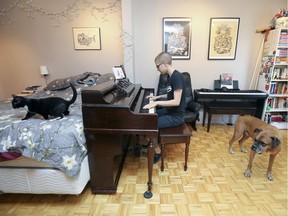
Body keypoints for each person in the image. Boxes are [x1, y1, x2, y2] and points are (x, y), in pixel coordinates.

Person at [143, 52, 186, 164]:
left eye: (157, 66)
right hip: (169, 112)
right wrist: (156, 97)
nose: (157, 69)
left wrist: (156, 103)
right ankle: (151, 142)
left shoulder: (177, 77)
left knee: (148, 125)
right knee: (148, 118)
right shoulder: (171, 76)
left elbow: (176, 101)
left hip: (176, 117)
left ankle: (157, 151)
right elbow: (170, 95)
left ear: (164, 63)